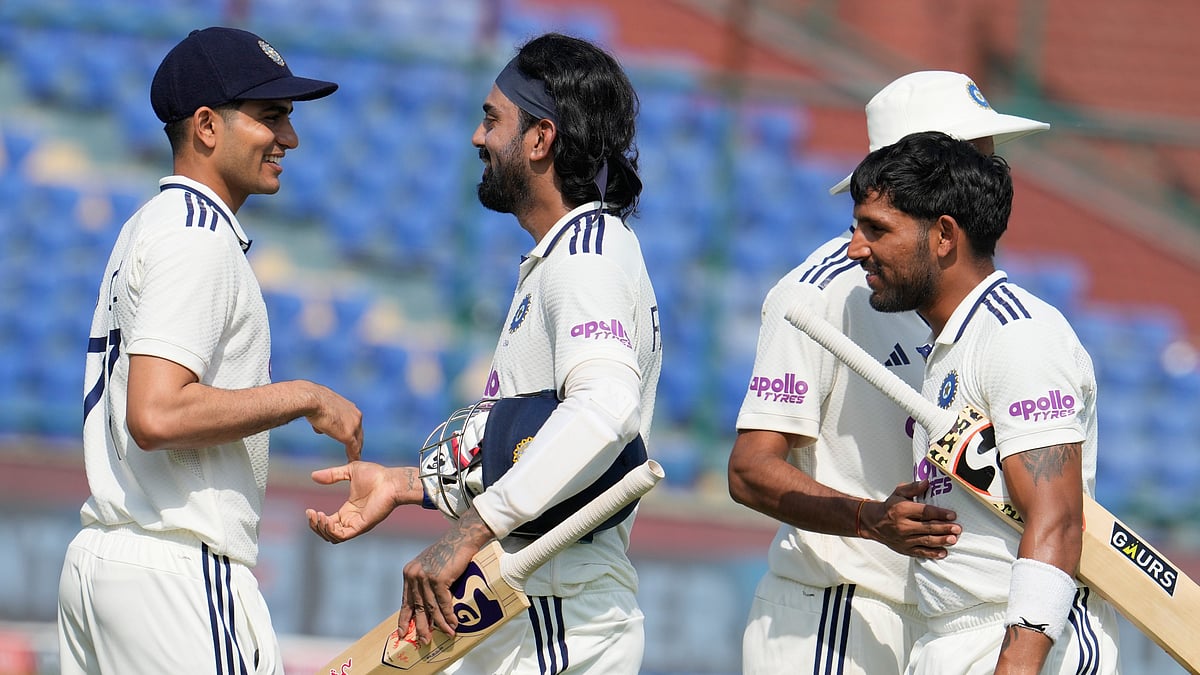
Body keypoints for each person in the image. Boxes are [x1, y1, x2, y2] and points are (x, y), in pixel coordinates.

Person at [306, 33, 660, 673]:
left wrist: (469, 532)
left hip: (558, 616)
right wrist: (405, 484)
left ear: (540, 138)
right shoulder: (563, 256)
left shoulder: (587, 253)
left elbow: (607, 410)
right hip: (534, 609)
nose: (477, 136)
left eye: (493, 118)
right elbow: (532, 444)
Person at [57, 27, 363, 675]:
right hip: (177, 573)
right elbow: (157, 414)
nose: (290, 138)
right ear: (205, 125)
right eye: (271, 116)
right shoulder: (197, 237)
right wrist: (304, 396)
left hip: (113, 562)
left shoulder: (152, 224)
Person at [727, 70, 1050, 674]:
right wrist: (869, 520)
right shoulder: (819, 294)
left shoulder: (972, 296)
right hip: (836, 614)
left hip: (942, 623)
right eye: (973, 152)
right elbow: (749, 470)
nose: (990, 170)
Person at [846, 130, 1120, 674]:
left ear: (944, 235)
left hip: (1021, 638)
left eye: (876, 229)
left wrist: (1019, 662)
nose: (856, 249)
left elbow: (1058, 518)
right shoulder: (952, 342)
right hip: (947, 636)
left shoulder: (1018, 335)